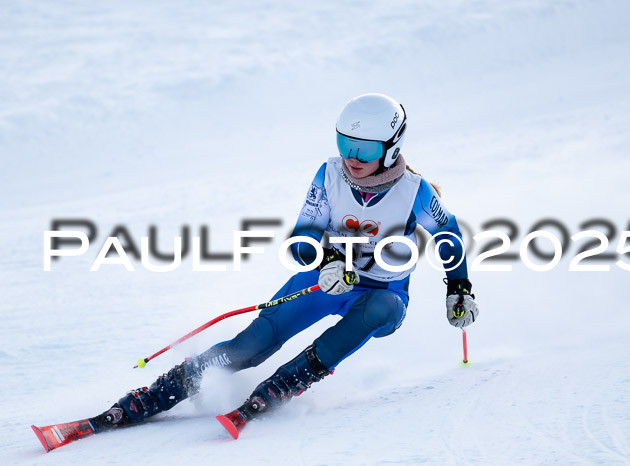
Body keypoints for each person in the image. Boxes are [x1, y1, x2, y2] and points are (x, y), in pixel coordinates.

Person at [91, 93, 479, 435]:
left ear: (392, 148)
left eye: (365, 149)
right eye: (345, 143)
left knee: (379, 307)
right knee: (252, 345)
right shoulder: (329, 175)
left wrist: (458, 288)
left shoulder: (415, 192)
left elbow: (449, 236)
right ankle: (161, 392)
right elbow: (302, 239)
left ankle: (286, 382)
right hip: (326, 280)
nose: (352, 157)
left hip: (383, 293)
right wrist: (327, 259)